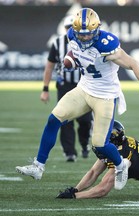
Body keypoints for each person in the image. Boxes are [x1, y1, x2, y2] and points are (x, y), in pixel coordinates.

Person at [15, 8, 139, 190]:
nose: (85, 38)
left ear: (97, 29)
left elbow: (134, 64)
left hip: (105, 96)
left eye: (89, 34)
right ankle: (38, 166)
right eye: (82, 34)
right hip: (84, 89)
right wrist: (69, 62)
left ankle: (121, 165)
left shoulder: (106, 45)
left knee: (100, 145)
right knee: (53, 120)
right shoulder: (73, 35)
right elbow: (75, 52)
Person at [40, 15, 93, 162]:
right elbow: (49, 66)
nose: (70, 30)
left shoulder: (88, 41)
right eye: (68, 27)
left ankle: (84, 144)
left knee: (85, 120)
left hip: (84, 83)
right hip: (65, 85)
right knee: (64, 119)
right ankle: (70, 152)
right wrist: (45, 89)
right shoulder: (58, 43)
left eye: (72, 27)